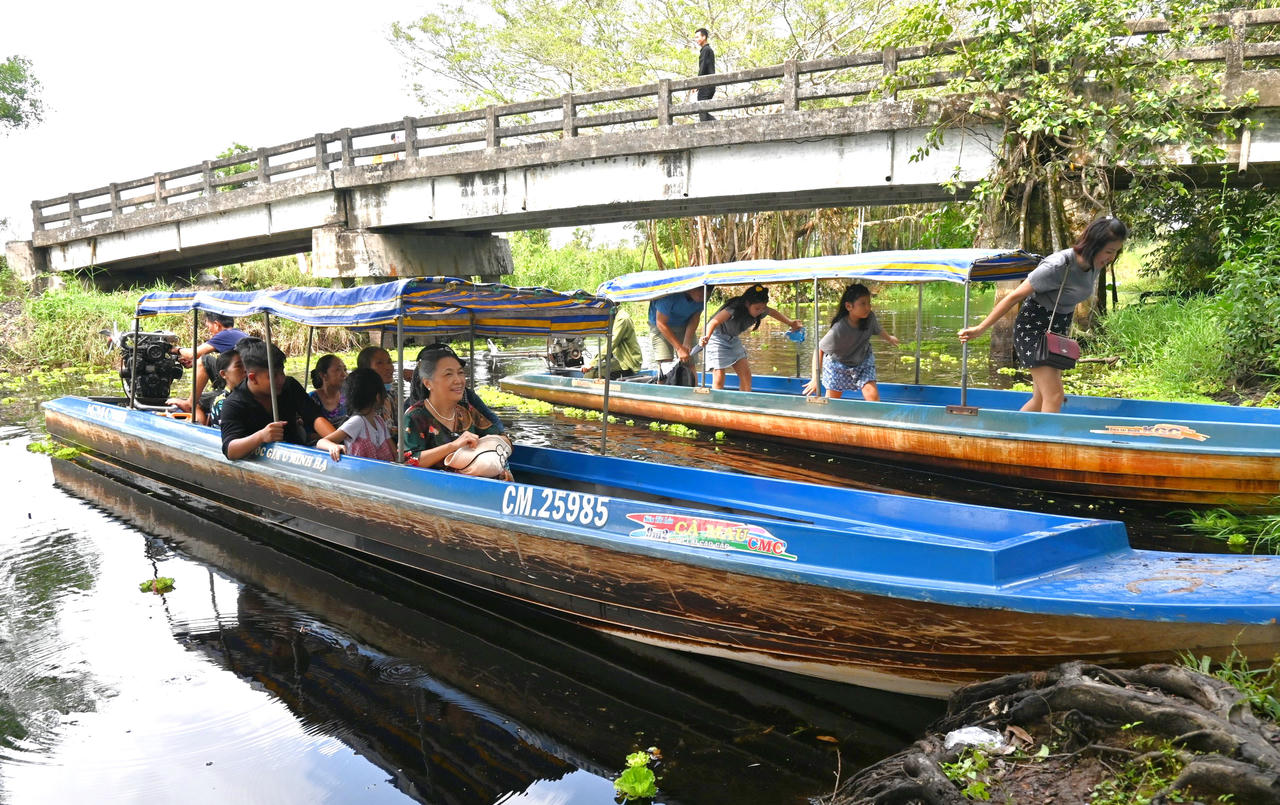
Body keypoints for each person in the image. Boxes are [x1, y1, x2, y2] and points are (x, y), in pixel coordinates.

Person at [957, 217, 1128, 413]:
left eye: (1116, 252)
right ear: (1093, 245)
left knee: (1040, 399)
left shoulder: (1095, 264)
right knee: (1054, 396)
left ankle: (1013, 430)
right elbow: (1013, 297)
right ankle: (1045, 434)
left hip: (1056, 332)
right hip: (1033, 329)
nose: (1112, 257)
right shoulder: (1057, 266)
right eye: (1109, 251)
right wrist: (980, 328)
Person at [403, 343, 510, 477]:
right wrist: (454, 446)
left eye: (460, 373)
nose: (458, 380)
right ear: (428, 383)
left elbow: (503, 439)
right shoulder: (415, 416)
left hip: (473, 483)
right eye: (448, 374)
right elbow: (408, 462)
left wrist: (501, 469)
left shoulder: (466, 411)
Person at [219, 338, 336, 460]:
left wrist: (337, 442)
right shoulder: (234, 403)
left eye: (282, 372)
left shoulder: (290, 386)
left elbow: (315, 417)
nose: (281, 380)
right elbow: (230, 450)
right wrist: (261, 436)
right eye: (273, 376)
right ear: (253, 378)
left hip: (296, 455)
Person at [803, 283, 900, 401]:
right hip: (838, 364)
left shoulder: (870, 318)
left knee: (871, 392)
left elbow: (878, 329)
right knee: (833, 400)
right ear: (849, 306)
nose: (868, 307)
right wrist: (815, 379)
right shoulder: (839, 328)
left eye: (869, 303)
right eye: (863, 304)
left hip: (862, 360)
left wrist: (889, 338)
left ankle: (875, 411)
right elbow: (819, 349)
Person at [698, 285, 801, 391]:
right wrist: (706, 337)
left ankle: (745, 398)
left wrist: (790, 323)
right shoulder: (733, 308)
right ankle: (717, 399)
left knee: (746, 375)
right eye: (757, 308)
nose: (760, 311)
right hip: (716, 337)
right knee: (719, 375)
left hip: (732, 338)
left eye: (763, 308)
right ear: (747, 304)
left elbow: (772, 312)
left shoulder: (761, 310)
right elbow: (713, 322)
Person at [167, 312, 247, 414]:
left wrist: (174, 349)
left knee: (197, 403)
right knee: (205, 360)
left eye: (208, 326)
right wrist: (193, 362)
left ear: (217, 324)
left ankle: (190, 404)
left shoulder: (225, 334)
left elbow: (192, 354)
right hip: (240, 379)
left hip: (240, 385)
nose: (209, 331)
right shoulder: (237, 333)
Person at [316, 369, 397, 462]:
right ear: (378, 397)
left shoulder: (379, 421)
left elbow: (394, 452)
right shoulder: (358, 422)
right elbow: (321, 442)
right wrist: (333, 447)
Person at [648, 286, 706, 365]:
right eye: (700, 295)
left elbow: (695, 318)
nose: (703, 299)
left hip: (684, 324)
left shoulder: (705, 294)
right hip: (660, 326)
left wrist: (687, 341)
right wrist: (679, 348)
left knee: (689, 360)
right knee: (666, 363)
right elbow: (660, 323)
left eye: (705, 296)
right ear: (691, 289)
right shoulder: (668, 295)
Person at [583, 308, 644, 380]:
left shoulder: (622, 319)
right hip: (618, 359)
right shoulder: (613, 317)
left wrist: (592, 363)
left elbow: (611, 343)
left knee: (590, 374)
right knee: (596, 369)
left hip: (627, 362)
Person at [204, 349, 246, 427]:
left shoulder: (250, 396)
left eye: (246, 366)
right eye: (239, 366)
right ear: (223, 374)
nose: (245, 370)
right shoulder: (222, 403)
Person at [357, 345, 396, 424]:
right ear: (366, 369)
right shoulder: (363, 399)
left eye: (389, 362)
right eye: (380, 363)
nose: (388, 367)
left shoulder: (392, 394)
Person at [309, 354, 348, 427]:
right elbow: (308, 431)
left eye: (345, 369)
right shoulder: (312, 399)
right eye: (338, 370)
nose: (344, 374)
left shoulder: (349, 395)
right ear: (323, 375)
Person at [692, 28, 716, 122]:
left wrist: (697, 84)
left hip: (706, 85)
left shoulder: (706, 50)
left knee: (701, 109)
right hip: (709, 85)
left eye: (697, 37)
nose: (696, 39)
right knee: (703, 110)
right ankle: (716, 124)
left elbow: (703, 68)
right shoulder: (707, 50)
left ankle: (715, 125)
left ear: (704, 37)